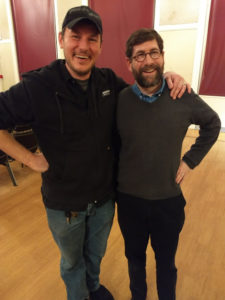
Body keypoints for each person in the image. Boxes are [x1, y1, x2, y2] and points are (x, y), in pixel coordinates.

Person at [0, 6, 189, 300]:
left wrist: (168, 77)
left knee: (95, 254)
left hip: (103, 200)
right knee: (72, 262)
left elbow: (144, 95)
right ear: (61, 39)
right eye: (76, 36)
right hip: (65, 207)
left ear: (100, 45)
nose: (83, 47)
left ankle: (93, 287)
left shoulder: (108, 82)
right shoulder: (37, 87)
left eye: (92, 39)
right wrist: (28, 159)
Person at [116, 28, 221, 300]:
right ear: (128, 62)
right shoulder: (120, 100)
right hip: (129, 202)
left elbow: (212, 124)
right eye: (139, 55)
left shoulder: (182, 95)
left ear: (163, 57)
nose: (148, 60)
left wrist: (189, 161)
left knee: (166, 264)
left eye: (153, 53)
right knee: (134, 260)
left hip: (168, 202)